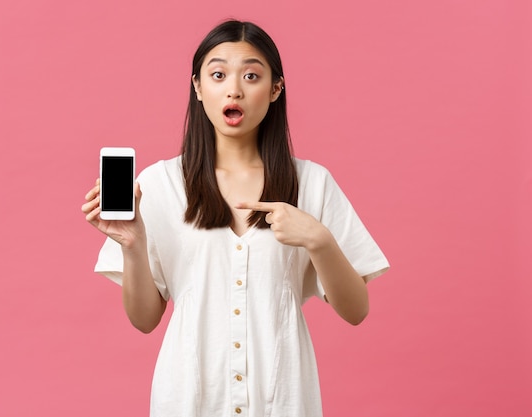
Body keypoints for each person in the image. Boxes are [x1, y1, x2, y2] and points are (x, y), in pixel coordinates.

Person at [82, 19, 389, 417]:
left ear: (275, 88)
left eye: (250, 75)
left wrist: (319, 240)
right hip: (188, 401)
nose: (234, 89)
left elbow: (356, 311)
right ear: (197, 87)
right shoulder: (159, 185)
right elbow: (144, 320)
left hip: (283, 401)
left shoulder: (312, 183)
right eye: (218, 74)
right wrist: (133, 245)